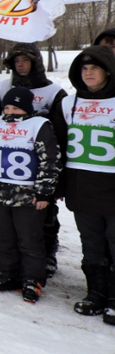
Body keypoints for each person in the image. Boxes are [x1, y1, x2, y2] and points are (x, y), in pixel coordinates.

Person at [0, 43, 67, 278]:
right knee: (9, 223)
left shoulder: (54, 92)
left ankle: (48, 253)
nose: (20, 64)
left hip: (42, 165)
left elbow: (62, 135)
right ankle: (12, 265)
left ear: (36, 62)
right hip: (9, 166)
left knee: (44, 213)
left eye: (25, 60)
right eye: (16, 61)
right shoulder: (2, 88)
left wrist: (59, 174)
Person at [0, 87, 60, 304]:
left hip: (28, 195)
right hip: (1, 191)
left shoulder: (39, 125)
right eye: (7, 107)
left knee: (29, 238)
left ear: (27, 108)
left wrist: (44, 192)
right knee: (5, 236)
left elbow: (49, 160)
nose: (11, 111)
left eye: (16, 107)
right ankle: (8, 273)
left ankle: (33, 279)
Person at [53, 46, 115, 325]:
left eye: (95, 68)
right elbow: (58, 144)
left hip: (111, 186)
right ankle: (96, 293)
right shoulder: (69, 103)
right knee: (91, 242)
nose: (88, 73)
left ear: (108, 71)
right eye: (84, 69)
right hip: (82, 187)